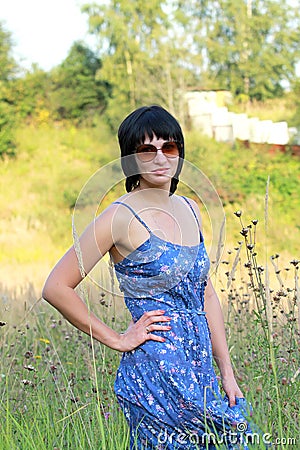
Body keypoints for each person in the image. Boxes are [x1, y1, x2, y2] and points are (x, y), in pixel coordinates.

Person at [42, 105, 257, 449]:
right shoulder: (118, 217)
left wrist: (226, 373)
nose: (160, 158)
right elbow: (56, 287)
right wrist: (117, 339)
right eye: (147, 149)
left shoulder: (190, 207)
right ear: (130, 159)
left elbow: (206, 296)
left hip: (200, 369)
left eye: (169, 147)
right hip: (155, 368)